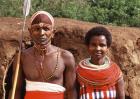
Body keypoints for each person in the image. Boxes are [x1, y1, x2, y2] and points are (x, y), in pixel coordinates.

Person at [8, 11, 77, 99]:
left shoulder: (65, 57)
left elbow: (71, 90)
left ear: (53, 32)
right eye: (37, 29)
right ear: (30, 31)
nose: (41, 33)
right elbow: (16, 89)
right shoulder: (22, 57)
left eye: (46, 29)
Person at [76, 26, 125, 99]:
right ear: (87, 46)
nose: (98, 48)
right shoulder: (79, 73)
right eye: (93, 45)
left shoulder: (115, 72)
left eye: (102, 45)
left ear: (107, 47)